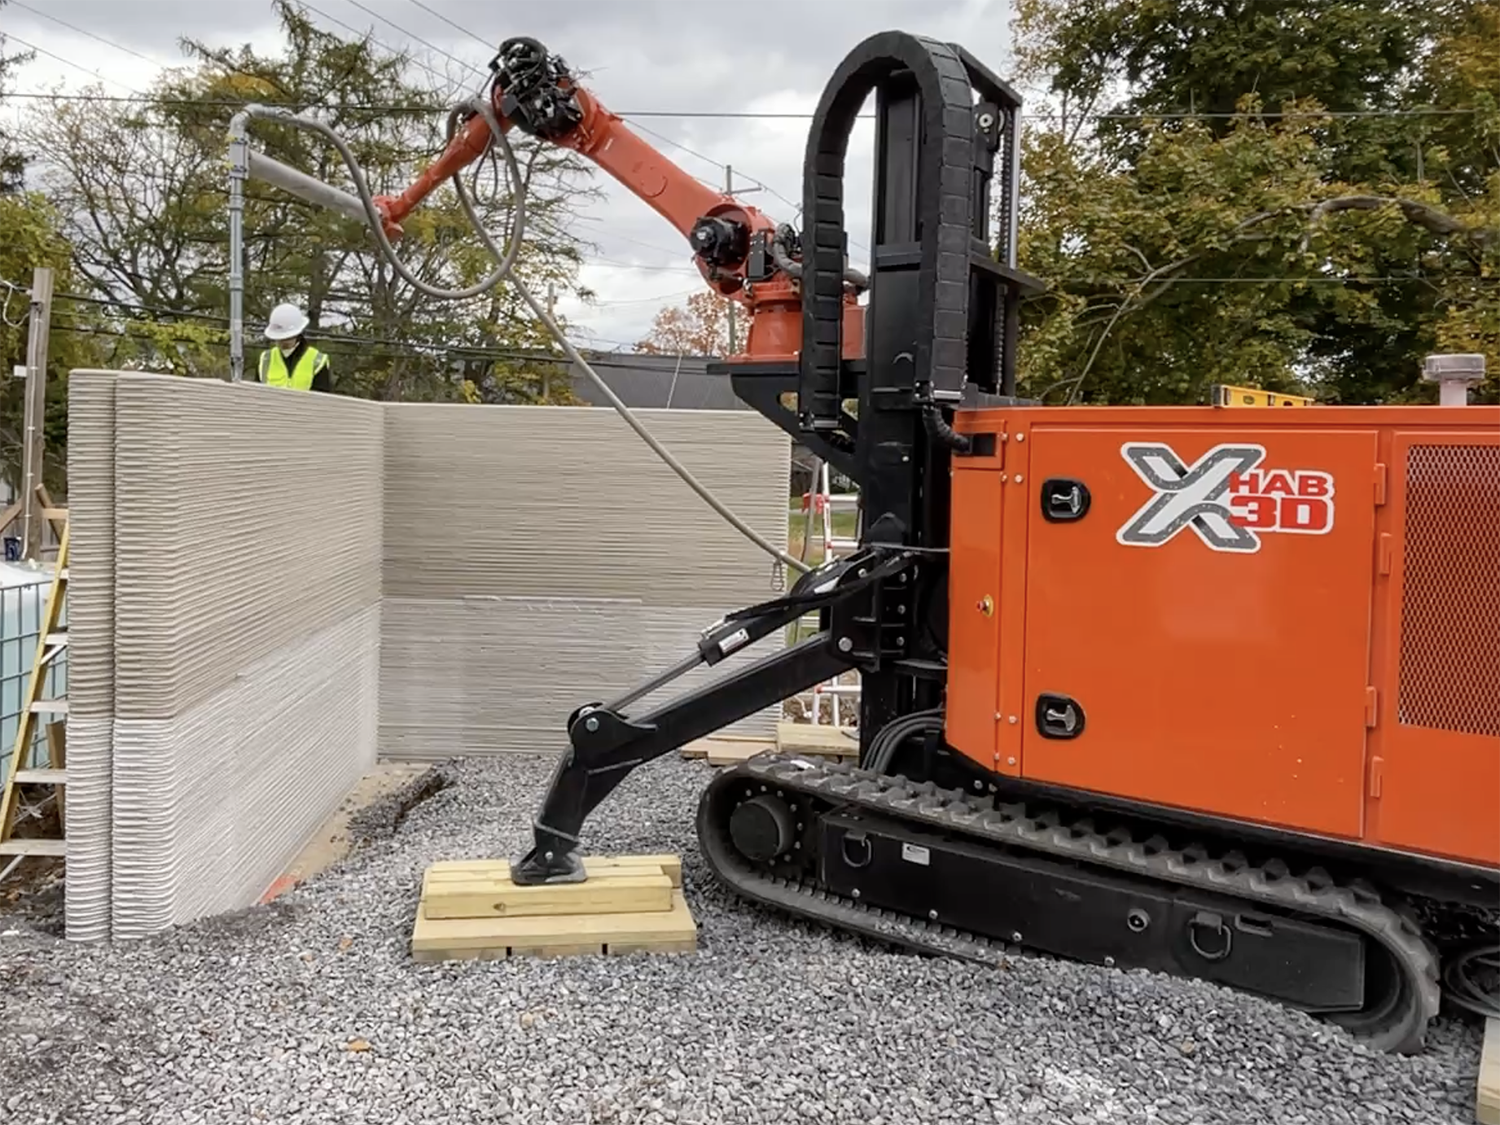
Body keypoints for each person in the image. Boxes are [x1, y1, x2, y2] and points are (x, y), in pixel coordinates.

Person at [257, 302, 333, 392]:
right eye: (278, 338)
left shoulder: (317, 361)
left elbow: (321, 401)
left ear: (297, 334)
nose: (281, 342)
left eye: (286, 338)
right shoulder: (266, 360)